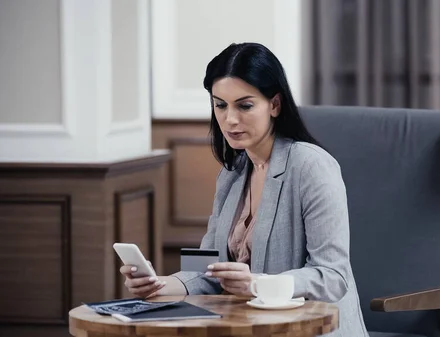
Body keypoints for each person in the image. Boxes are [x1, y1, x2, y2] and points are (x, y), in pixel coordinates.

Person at [120, 42, 368, 336]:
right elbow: (207, 266)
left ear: (275, 105)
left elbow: (332, 276)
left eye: (245, 105)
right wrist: (159, 284)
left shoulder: (311, 166)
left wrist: (257, 284)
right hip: (250, 327)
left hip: (311, 330)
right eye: (220, 105)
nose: (230, 120)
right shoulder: (233, 172)